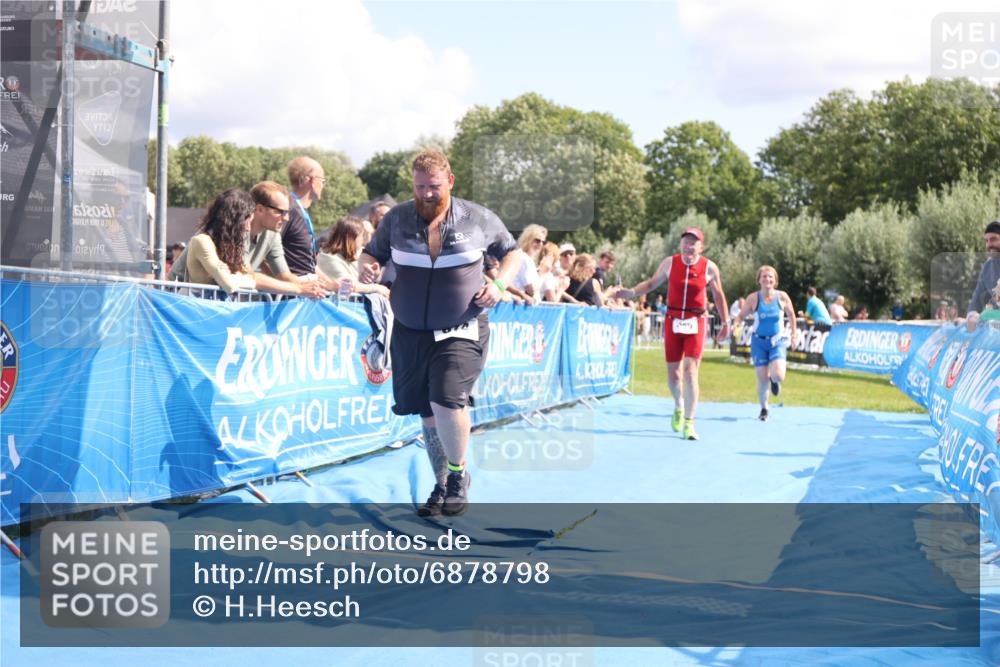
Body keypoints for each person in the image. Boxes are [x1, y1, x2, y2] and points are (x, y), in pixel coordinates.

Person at [359, 150, 522, 517]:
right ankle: (442, 483)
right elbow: (370, 255)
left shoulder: (477, 218)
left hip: (461, 327)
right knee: (427, 412)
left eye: (433, 186)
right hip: (410, 330)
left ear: (450, 181)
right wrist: (366, 267)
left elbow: (514, 254)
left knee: (447, 400)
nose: (427, 194)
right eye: (420, 187)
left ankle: (458, 475)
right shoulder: (397, 219)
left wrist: (499, 284)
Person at [616, 227, 729, 440]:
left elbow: (719, 295)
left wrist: (726, 322)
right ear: (681, 244)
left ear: (701, 247)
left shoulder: (709, 267)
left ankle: (689, 422)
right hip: (673, 321)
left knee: (690, 371)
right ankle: (679, 405)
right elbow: (651, 283)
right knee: (674, 375)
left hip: (696, 321)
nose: (688, 246)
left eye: (693, 243)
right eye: (685, 242)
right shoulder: (670, 263)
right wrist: (631, 292)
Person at [172, 188, 325, 298]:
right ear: (232, 220)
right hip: (178, 305)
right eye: (246, 219)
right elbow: (230, 284)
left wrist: (306, 287)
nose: (248, 226)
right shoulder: (202, 241)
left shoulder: (233, 242)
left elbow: (245, 275)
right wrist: (299, 289)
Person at [730, 266, 798, 421]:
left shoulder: (782, 297)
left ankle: (774, 380)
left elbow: (792, 315)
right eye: (764, 276)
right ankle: (764, 409)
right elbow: (740, 316)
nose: (767, 279)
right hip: (759, 342)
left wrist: (794, 336)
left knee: (778, 375)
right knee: (762, 378)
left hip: (777, 341)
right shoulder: (753, 298)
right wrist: (736, 325)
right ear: (759, 280)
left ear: (775, 281)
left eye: (770, 277)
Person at [283, 156, 339, 291]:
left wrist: (333, 285)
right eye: (323, 181)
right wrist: (294, 285)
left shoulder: (300, 211)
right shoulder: (288, 208)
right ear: (313, 180)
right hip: (290, 297)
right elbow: (265, 253)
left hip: (304, 293)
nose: (323, 186)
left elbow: (310, 266)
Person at [317, 216, 389, 297]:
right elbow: (348, 286)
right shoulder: (328, 258)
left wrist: (373, 272)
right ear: (353, 237)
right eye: (362, 235)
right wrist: (376, 288)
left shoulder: (358, 254)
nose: (363, 239)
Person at [965, 220, 1000, 332]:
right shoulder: (987, 267)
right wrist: (971, 316)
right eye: (987, 240)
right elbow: (976, 300)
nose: (989, 244)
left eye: (993, 239)